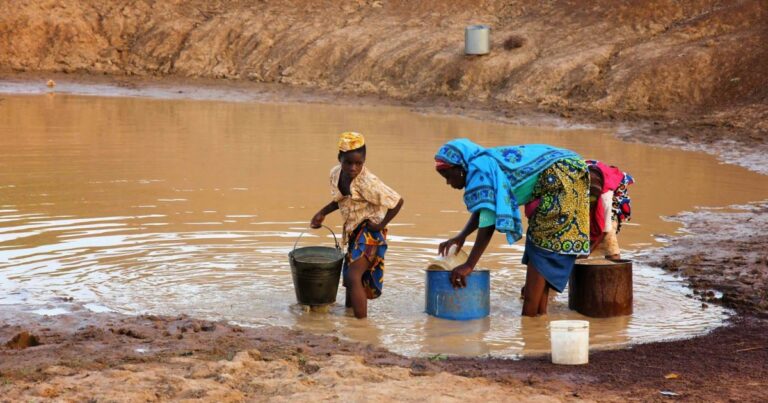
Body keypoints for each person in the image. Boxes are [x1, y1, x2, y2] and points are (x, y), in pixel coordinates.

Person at [435, 138, 589, 317]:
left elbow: (489, 223)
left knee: (541, 246)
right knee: (541, 248)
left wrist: (469, 265)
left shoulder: (479, 171)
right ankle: (537, 324)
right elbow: (485, 209)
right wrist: (461, 236)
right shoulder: (481, 163)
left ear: (460, 168)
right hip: (570, 170)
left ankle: (530, 319)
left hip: (562, 178)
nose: (448, 182)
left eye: (447, 176)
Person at [310, 132, 404, 319]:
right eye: (348, 162)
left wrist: (381, 225)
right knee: (351, 279)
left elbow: (397, 201)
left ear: (364, 161)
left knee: (353, 276)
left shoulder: (368, 182)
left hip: (370, 232)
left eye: (358, 163)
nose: (353, 168)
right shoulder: (335, 174)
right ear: (340, 159)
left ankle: (361, 326)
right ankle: (350, 319)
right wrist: (321, 213)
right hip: (353, 231)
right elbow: (340, 200)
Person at [586, 160, 634, 259]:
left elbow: (605, 230)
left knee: (609, 238)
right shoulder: (574, 188)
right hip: (590, 177)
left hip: (613, 189)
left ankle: (614, 264)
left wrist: (586, 253)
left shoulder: (605, 197)